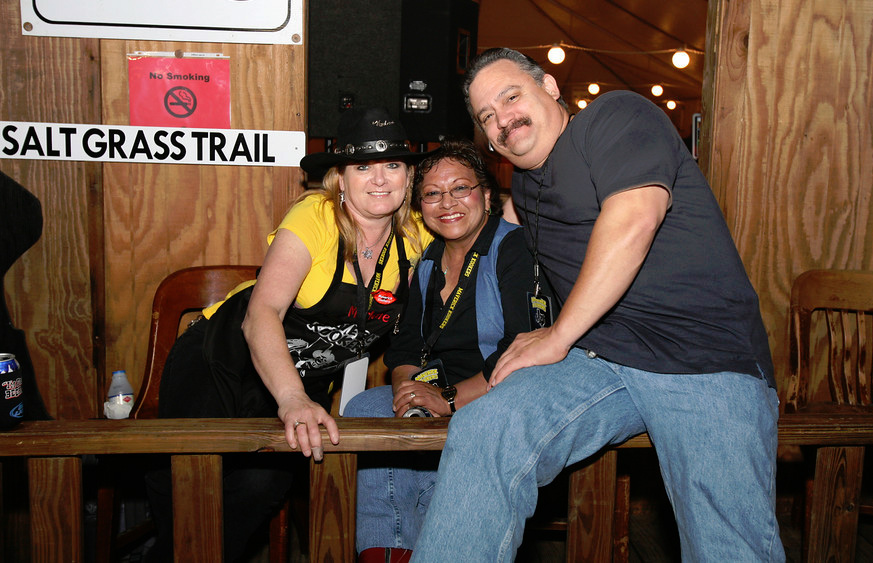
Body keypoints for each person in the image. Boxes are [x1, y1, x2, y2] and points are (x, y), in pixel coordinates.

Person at [411, 48, 784, 562]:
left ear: (550, 87)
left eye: (511, 97)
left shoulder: (615, 117)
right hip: (600, 359)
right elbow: (469, 230)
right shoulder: (525, 187)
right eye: (487, 116)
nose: (502, 119)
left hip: (701, 356)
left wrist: (558, 335)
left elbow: (634, 219)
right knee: (484, 429)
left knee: (726, 543)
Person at [145, 106, 432, 562]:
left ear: (409, 175)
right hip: (222, 362)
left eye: (392, 164)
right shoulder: (315, 216)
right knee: (189, 492)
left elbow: (478, 235)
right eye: (363, 166)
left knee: (261, 486)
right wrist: (293, 398)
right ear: (341, 177)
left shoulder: (417, 236)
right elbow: (262, 313)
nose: (379, 179)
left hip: (301, 382)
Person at [342, 140, 553, 563]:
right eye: (433, 193)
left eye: (460, 189)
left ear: (487, 196)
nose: (447, 203)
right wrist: (408, 392)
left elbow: (523, 348)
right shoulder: (428, 258)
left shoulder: (515, 248)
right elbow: (405, 345)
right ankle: (389, 551)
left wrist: (449, 399)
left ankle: (439, 543)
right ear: (420, 207)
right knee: (366, 406)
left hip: (499, 394)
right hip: (436, 392)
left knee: (462, 435)